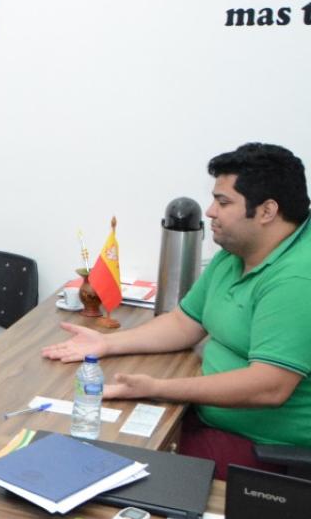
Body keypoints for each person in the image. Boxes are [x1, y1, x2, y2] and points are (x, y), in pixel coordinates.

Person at [43, 143, 311, 480]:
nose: (210, 212)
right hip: (206, 416)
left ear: (267, 211)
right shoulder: (239, 251)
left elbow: (269, 387)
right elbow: (185, 322)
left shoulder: (297, 279)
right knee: (92, 439)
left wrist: (157, 387)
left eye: (223, 202)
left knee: (107, 462)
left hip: (262, 450)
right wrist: (107, 344)